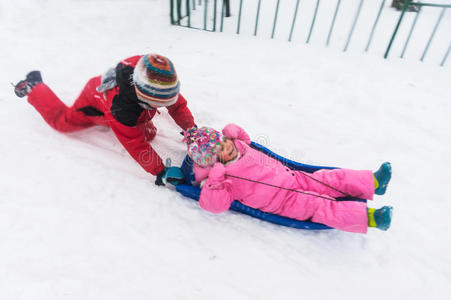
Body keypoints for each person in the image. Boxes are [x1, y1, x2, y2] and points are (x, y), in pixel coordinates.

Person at [13, 54, 195, 185]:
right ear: (145, 97)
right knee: (62, 122)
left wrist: (192, 129)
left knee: (149, 134)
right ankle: (34, 86)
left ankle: (132, 119)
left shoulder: (157, 78)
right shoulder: (121, 109)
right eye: (161, 103)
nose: (169, 103)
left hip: (136, 106)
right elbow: (134, 143)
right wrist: (160, 171)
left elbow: (177, 106)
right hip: (94, 100)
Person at [183, 124, 393, 234]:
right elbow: (213, 204)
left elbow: (245, 139)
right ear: (213, 161)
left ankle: (374, 183)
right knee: (322, 207)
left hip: (294, 178)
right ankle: (373, 218)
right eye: (223, 151)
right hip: (284, 202)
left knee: (329, 178)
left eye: (226, 143)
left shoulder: (239, 146)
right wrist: (216, 181)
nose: (228, 148)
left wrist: (235, 131)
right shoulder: (220, 179)